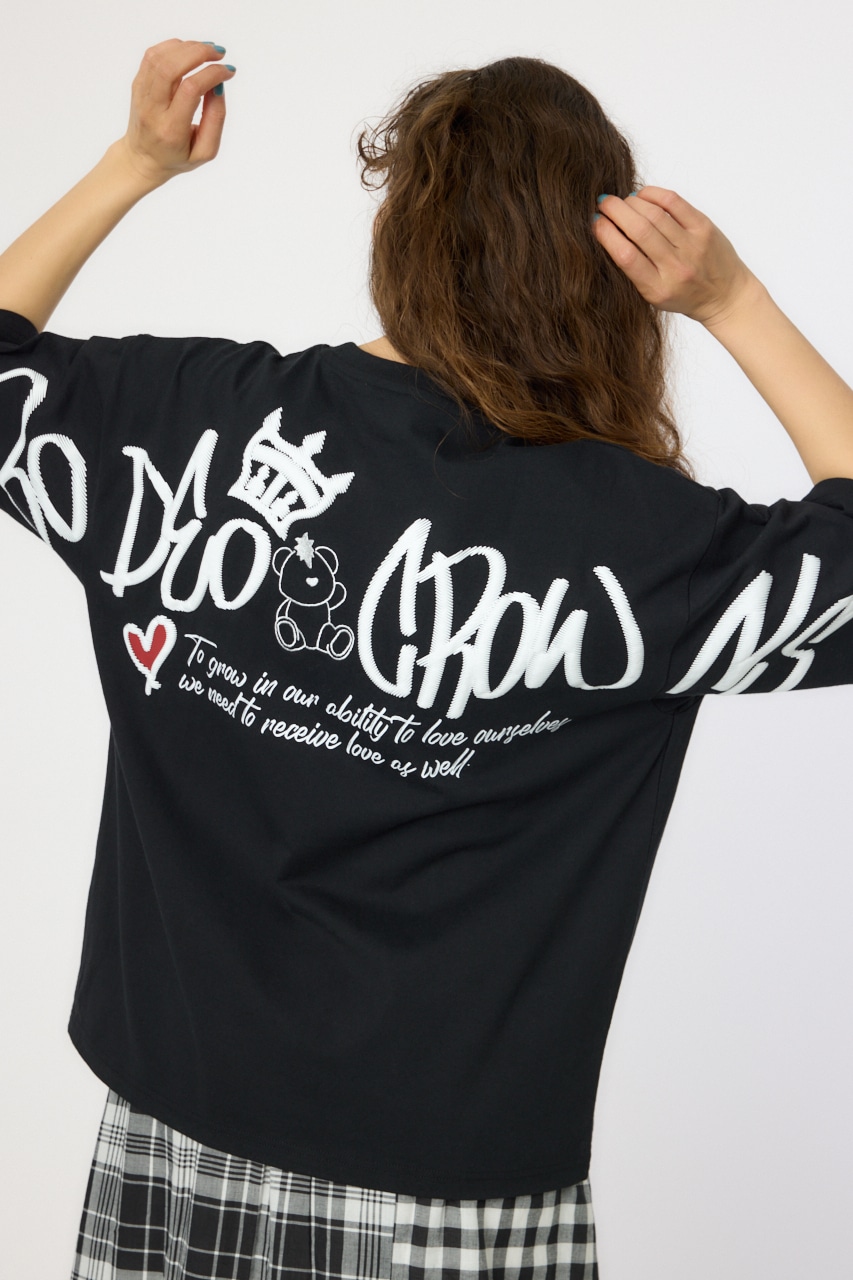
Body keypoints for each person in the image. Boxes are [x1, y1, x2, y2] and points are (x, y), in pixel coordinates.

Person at [2, 36, 853, 1280]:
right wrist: (731, 301)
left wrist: (132, 163)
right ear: (598, 266)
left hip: (168, 1149)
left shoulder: (196, 429)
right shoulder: (634, 544)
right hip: (448, 1204)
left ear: (399, 232)